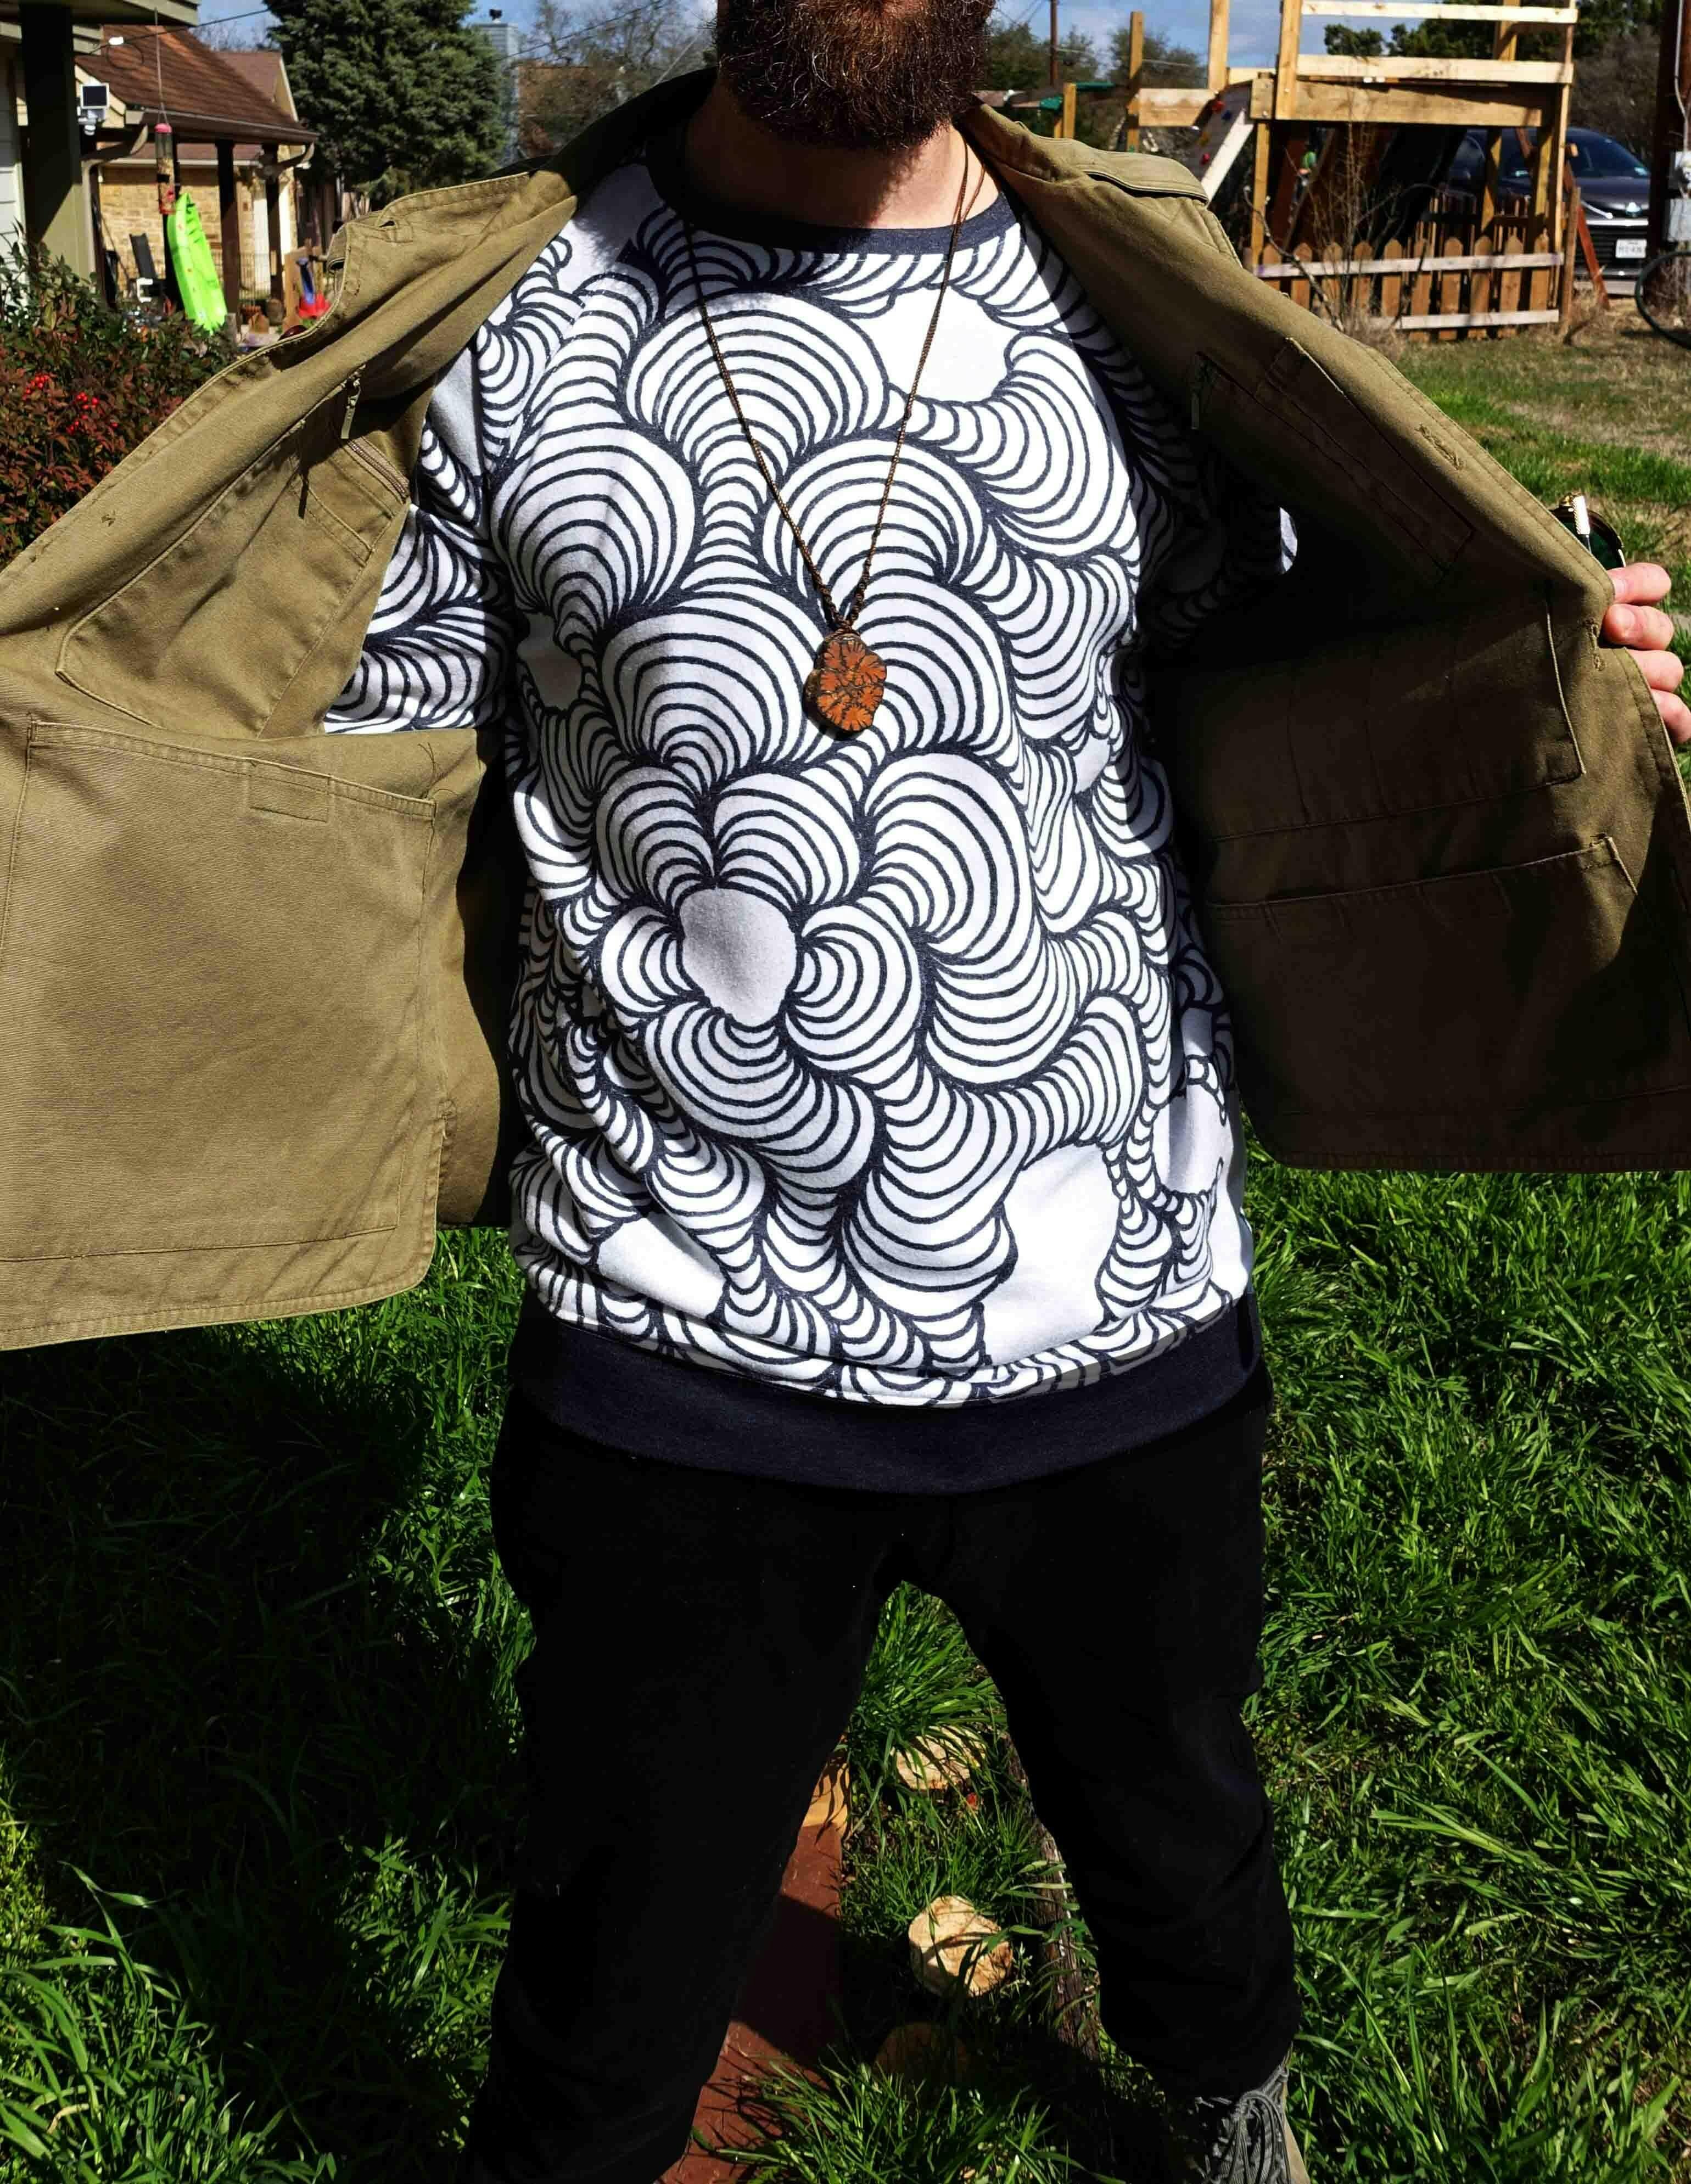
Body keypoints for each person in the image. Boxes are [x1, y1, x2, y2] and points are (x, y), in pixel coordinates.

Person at [306, 2, 1685, 2180]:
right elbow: (327, 774)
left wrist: (1554, 683)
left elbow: (1295, 664)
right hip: (677, 1354)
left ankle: (1231, 2109)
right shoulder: (498, 326)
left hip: (1120, 1311)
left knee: (1183, 1841)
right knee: (605, 1995)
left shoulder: (1151, 314)